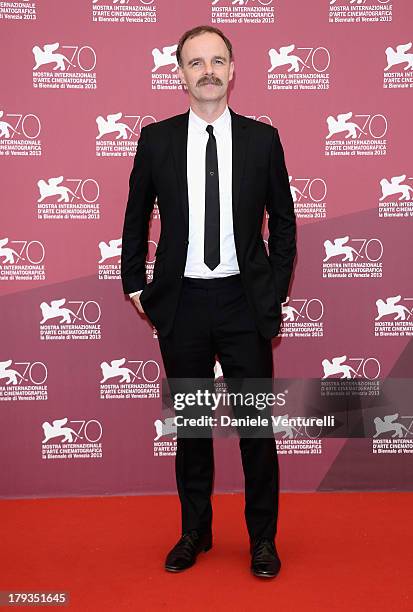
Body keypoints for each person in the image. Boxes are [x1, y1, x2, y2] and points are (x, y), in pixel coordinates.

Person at [121, 24, 296, 579]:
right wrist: (134, 284)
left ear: (232, 69)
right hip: (185, 303)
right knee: (192, 426)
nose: (208, 72)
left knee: (255, 431)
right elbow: (134, 220)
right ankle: (194, 531)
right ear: (180, 74)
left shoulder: (262, 140)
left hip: (244, 303)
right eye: (195, 63)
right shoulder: (157, 140)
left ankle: (262, 540)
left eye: (217, 61)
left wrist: (273, 290)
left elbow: (285, 226)